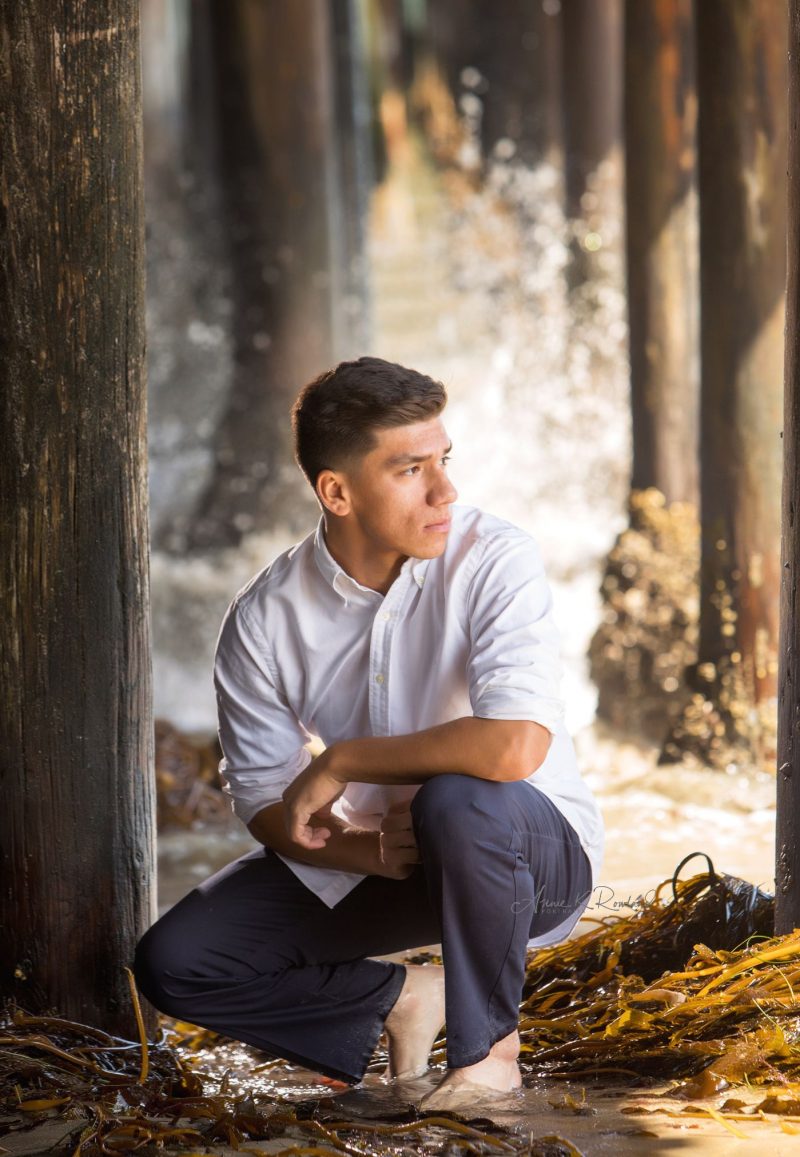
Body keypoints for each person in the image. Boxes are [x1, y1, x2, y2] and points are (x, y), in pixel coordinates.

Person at [134, 356, 604, 1109]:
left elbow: (516, 747)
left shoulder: (495, 557)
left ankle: (489, 1058)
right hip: (399, 859)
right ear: (337, 491)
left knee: (457, 796)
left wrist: (347, 760)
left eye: (444, 460)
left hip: (527, 853)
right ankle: (402, 997)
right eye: (411, 468)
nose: (445, 489)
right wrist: (361, 850)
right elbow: (261, 796)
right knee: (179, 960)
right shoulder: (264, 617)